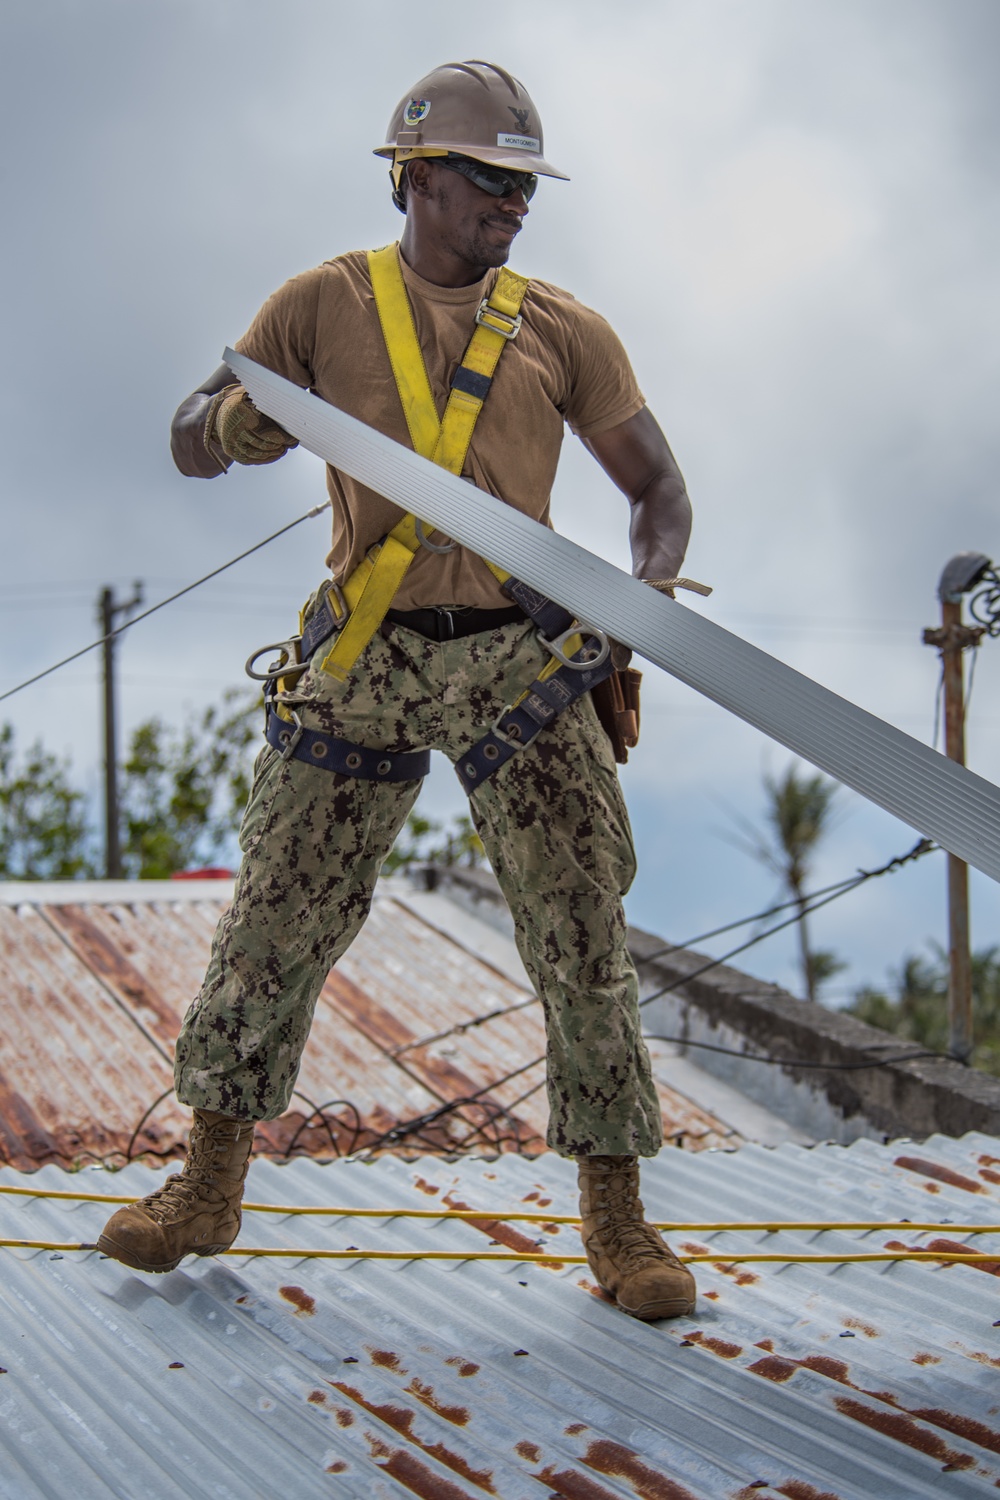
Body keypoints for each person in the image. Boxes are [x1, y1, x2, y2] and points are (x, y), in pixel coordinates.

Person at [99, 60, 697, 1321]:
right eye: (492, 180)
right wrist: (232, 429)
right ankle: (206, 1185)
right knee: (275, 918)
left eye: (526, 187)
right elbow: (188, 428)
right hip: (363, 650)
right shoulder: (322, 305)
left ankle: (617, 1222)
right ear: (416, 177)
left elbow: (660, 490)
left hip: (515, 658)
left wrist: (644, 593)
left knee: (579, 931)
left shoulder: (562, 329)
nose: (513, 206)